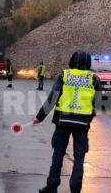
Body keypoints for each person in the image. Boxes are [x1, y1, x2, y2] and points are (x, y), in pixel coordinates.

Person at [32, 50, 101, 193]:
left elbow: (53, 97)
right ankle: (75, 189)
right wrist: (89, 120)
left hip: (63, 121)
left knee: (58, 153)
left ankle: (52, 186)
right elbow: (97, 104)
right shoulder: (94, 79)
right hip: (82, 123)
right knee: (79, 157)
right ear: (88, 63)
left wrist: (40, 116)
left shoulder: (65, 75)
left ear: (72, 61)